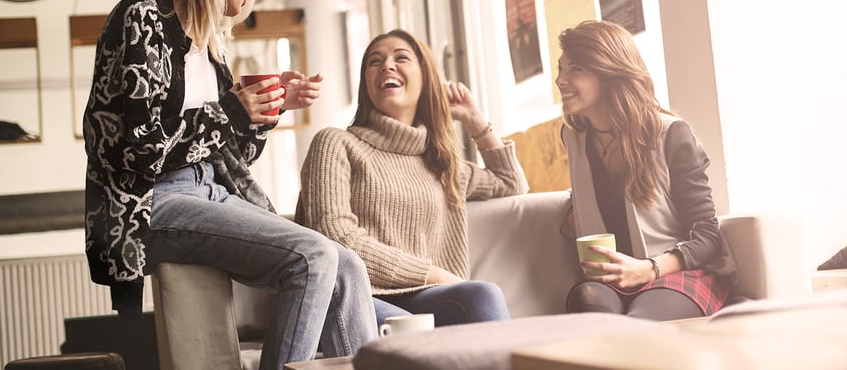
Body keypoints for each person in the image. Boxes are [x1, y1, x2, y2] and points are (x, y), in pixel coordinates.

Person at [82, 0, 376, 369]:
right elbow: (141, 153)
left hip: (209, 192)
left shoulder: (209, 44)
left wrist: (265, 112)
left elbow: (229, 153)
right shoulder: (141, 18)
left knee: (348, 266)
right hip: (153, 202)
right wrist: (231, 113)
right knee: (313, 256)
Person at [296, 29, 529, 327]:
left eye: (401, 57)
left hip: (424, 295)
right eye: (374, 61)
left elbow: (511, 182)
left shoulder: (441, 163)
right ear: (366, 84)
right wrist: (433, 274)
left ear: (426, 77)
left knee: (483, 295)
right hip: (353, 294)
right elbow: (336, 235)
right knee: (409, 328)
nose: (387, 66)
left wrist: (474, 119)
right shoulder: (336, 144)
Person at [556, 20, 737, 321]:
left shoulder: (670, 134)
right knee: (586, 301)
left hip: (678, 273)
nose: (561, 80)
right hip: (615, 281)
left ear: (608, 71)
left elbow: (708, 235)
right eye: (560, 69)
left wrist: (649, 268)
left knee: (640, 322)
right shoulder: (573, 137)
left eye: (575, 69)